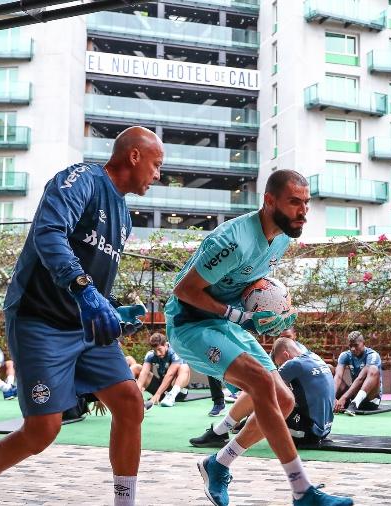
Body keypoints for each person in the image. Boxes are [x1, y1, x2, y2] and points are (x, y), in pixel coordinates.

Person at [0, 126, 163, 506]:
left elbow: (93, 278)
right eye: (157, 164)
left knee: (130, 402)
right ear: (134, 156)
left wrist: (111, 306)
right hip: (40, 319)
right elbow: (49, 233)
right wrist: (86, 292)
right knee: (42, 430)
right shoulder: (81, 179)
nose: (158, 174)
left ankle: (125, 503)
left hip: (82, 326)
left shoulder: (125, 217)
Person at [166, 169, 351, 506]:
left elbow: (251, 285)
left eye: (306, 204)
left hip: (225, 325)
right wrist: (239, 316)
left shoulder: (280, 239)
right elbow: (184, 289)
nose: (303, 212)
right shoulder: (231, 240)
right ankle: (302, 491)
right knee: (262, 386)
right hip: (189, 324)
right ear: (269, 201)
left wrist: (271, 314)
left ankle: (218, 463)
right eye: (295, 202)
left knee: (284, 400)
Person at [271, 337, 335, 446]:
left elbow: (265, 387)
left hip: (309, 433)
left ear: (286, 355)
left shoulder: (293, 364)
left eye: (280, 364)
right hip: (325, 429)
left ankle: (237, 426)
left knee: (269, 398)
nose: (280, 367)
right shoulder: (314, 357)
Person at [333, 331, 382, 416]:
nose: (352, 349)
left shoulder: (372, 355)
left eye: (355, 345)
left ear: (363, 343)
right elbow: (338, 376)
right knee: (329, 369)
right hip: (352, 395)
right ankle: (327, 401)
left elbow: (360, 378)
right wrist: (331, 396)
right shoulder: (345, 355)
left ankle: (354, 404)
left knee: (373, 369)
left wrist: (344, 397)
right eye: (350, 346)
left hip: (370, 399)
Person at [136, 332, 190, 409]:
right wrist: (138, 392)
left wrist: (157, 394)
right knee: (137, 368)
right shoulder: (151, 355)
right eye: (155, 350)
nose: (157, 353)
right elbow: (144, 373)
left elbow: (170, 375)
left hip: (178, 392)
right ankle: (132, 396)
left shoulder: (175, 352)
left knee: (184, 367)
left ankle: (171, 396)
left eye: (159, 349)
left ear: (166, 345)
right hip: (161, 388)